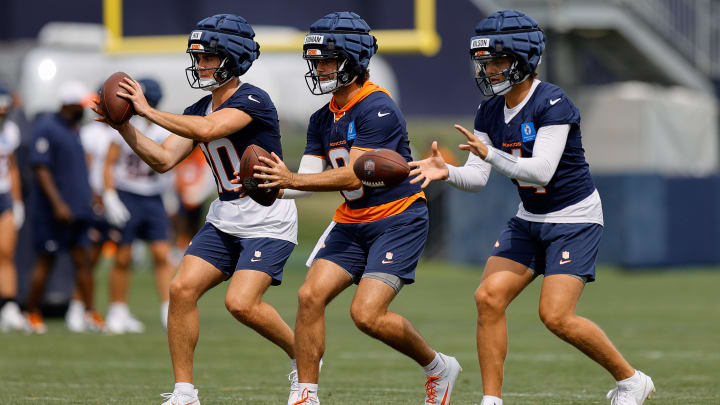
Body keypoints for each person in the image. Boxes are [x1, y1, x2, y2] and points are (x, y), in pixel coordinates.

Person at [408, 10, 655, 405]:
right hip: (529, 219)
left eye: (498, 61)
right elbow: (476, 178)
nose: (488, 70)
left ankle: (630, 380)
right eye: (484, 62)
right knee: (488, 297)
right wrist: (447, 172)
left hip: (573, 220)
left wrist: (489, 154)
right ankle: (492, 400)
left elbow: (540, 172)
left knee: (556, 316)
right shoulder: (489, 110)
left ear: (524, 59)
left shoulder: (553, 101)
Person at [247, 12, 461, 405]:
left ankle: (438, 366)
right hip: (352, 220)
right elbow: (306, 181)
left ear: (353, 60)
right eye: (315, 60)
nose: (319, 68)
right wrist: (271, 185)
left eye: (327, 60)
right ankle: (306, 394)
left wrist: (292, 179)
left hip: (397, 218)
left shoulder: (377, 107)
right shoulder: (321, 118)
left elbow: (353, 176)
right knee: (310, 296)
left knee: (367, 315)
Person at [91, 14, 298, 405]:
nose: (200, 65)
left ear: (233, 59)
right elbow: (164, 159)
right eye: (198, 57)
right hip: (225, 215)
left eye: (208, 58)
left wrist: (145, 110)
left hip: (266, 216)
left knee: (241, 303)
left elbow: (207, 130)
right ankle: (185, 392)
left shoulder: (253, 98)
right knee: (181, 289)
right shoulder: (198, 105)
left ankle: (302, 355)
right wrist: (125, 126)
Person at [26, 81, 105, 334]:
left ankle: (90, 313)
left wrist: (91, 197)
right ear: (68, 105)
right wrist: (58, 203)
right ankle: (32, 313)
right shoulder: (47, 128)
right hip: (53, 211)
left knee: (84, 260)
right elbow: (41, 169)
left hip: (79, 209)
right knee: (46, 261)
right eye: (80, 105)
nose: (84, 109)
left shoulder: (74, 129)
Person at [102, 78, 174, 333]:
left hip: (152, 196)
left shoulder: (162, 130)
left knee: (161, 255)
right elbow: (109, 163)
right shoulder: (123, 126)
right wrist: (109, 195)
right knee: (122, 256)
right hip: (128, 194)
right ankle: (117, 310)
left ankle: (168, 309)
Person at [0, 84, 28, 332]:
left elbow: (11, 166)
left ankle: (8, 306)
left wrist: (17, 201)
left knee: (6, 253)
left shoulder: (9, 129)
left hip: (4, 194)